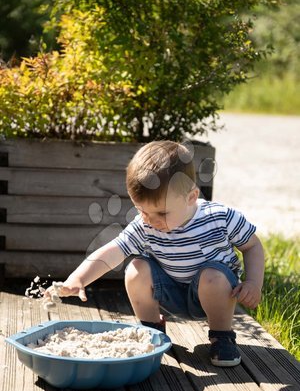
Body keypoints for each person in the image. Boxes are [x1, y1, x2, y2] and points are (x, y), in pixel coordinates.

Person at [45, 140, 264, 367]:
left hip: (214, 295)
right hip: (170, 293)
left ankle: (222, 336)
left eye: (161, 212)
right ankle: (152, 328)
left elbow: (253, 246)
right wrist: (78, 279)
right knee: (136, 269)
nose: (151, 220)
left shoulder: (220, 218)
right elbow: (114, 250)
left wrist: (253, 283)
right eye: (142, 211)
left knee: (212, 276)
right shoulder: (146, 224)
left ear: (191, 197)